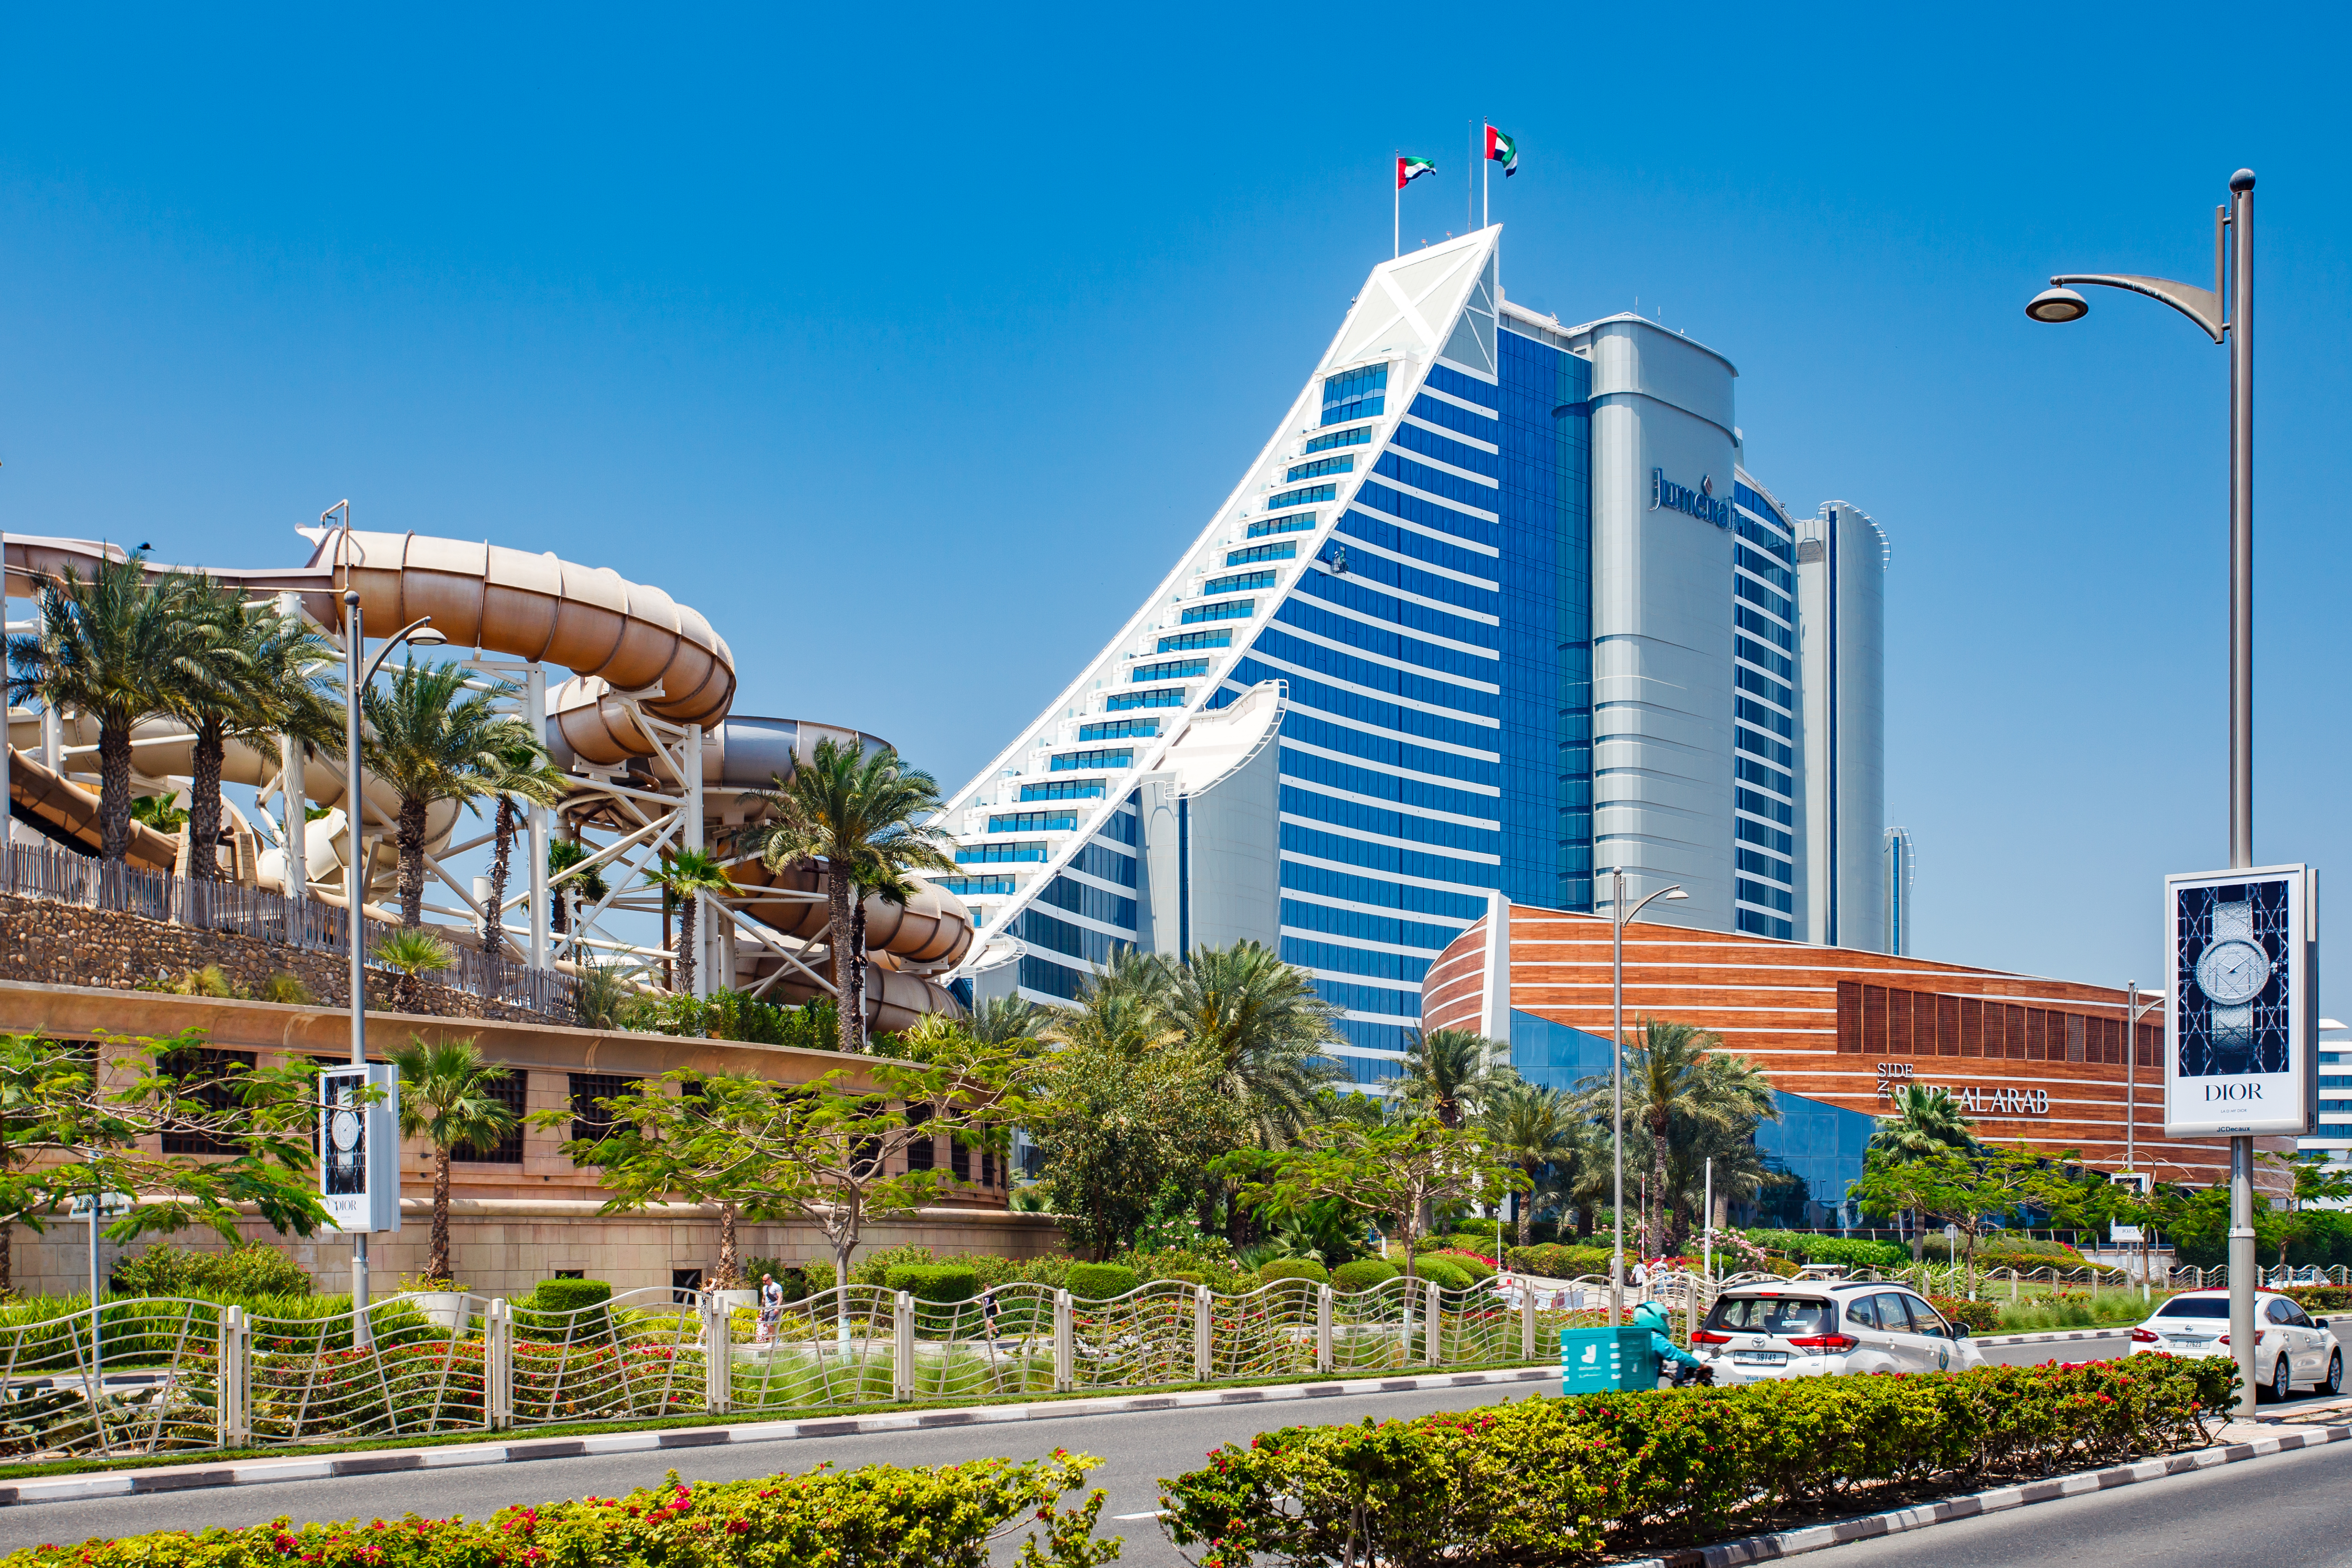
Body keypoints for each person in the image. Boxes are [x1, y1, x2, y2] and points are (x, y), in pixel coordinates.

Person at [1632, 1299, 1711, 1387]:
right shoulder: (1655, 1338)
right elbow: (1678, 1355)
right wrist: (1701, 1366)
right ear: (1654, 1318)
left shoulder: (1634, 1336)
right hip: (1646, 1390)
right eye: (1664, 1319)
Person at [756, 1271, 785, 1346]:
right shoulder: (765, 1288)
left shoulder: (777, 1287)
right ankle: (772, 1343)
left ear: (770, 1279)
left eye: (765, 1281)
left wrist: (777, 1308)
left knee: (770, 1325)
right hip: (767, 1309)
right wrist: (762, 1310)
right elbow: (764, 1299)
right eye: (763, 1280)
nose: (764, 1282)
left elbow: (780, 1297)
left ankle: (777, 1338)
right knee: (767, 1327)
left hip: (774, 1308)